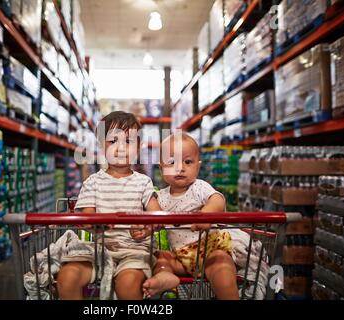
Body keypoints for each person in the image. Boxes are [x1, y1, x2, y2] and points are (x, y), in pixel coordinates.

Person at [56, 111, 161, 300]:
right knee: (67, 278)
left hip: (134, 251)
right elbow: (88, 218)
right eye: (113, 141)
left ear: (138, 147)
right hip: (98, 249)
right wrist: (97, 223)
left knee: (127, 285)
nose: (120, 148)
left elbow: (156, 215)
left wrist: (146, 228)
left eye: (128, 142)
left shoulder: (143, 182)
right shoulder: (92, 182)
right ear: (102, 146)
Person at [142, 132, 239, 300]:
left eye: (188, 162)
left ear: (198, 167)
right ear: (161, 167)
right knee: (159, 257)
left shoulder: (199, 187)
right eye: (172, 162)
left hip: (210, 250)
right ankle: (165, 275)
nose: (180, 168)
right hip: (181, 257)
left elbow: (218, 200)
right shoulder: (160, 197)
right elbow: (155, 219)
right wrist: (147, 229)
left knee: (222, 267)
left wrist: (206, 215)